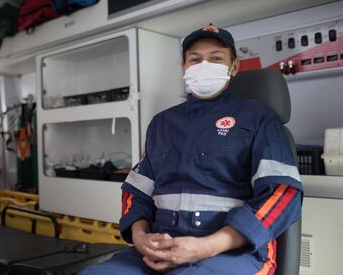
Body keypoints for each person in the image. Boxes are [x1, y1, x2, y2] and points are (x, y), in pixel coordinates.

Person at [80, 24, 303, 275]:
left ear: (234, 66)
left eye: (216, 58)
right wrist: (141, 236)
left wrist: (205, 247)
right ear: (184, 67)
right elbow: (136, 192)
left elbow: (283, 194)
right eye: (195, 59)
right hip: (161, 248)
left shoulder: (259, 119)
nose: (204, 65)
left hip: (233, 254)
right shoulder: (161, 124)